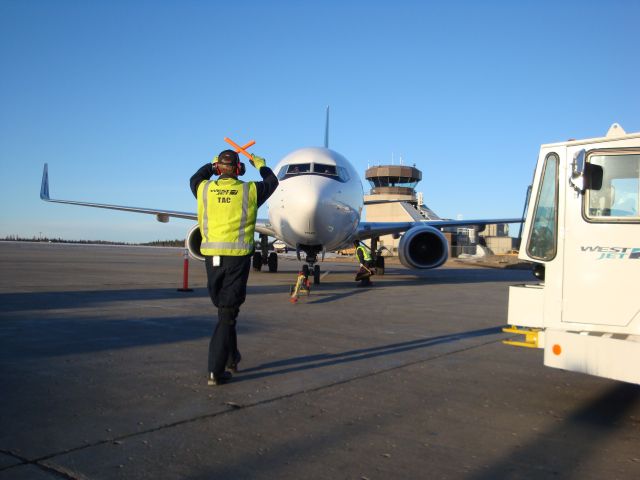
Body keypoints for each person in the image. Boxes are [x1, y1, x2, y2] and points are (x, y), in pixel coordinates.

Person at [190, 149, 278, 386]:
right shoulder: (250, 190)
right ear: (239, 170)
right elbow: (272, 181)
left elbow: (195, 177)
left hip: (212, 260)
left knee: (225, 311)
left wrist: (211, 165)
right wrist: (260, 164)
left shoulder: (203, 189)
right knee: (227, 314)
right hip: (236, 259)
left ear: (217, 169)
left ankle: (231, 357)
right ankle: (215, 372)